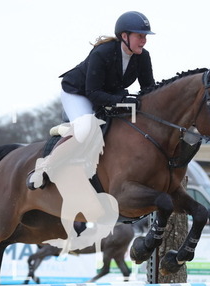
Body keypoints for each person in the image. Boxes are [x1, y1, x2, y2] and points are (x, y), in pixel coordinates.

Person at [27, 10, 156, 191]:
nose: (144, 40)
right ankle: (44, 168)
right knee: (85, 127)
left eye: (145, 36)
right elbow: (93, 93)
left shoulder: (143, 57)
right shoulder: (102, 53)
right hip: (78, 93)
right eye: (140, 36)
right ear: (124, 36)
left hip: (106, 94)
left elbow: (149, 89)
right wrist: (122, 100)